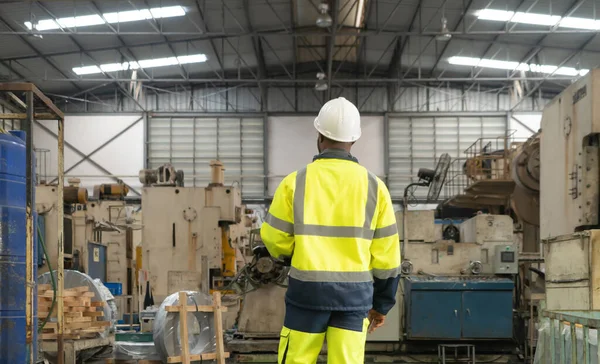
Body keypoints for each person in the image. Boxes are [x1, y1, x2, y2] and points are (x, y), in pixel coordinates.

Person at [261, 97, 401, 364]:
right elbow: (388, 258)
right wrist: (381, 305)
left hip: (306, 295)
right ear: (354, 140)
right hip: (354, 300)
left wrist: (296, 253)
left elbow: (274, 239)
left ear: (319, 135)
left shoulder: (295, 182)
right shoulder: (375, 187)